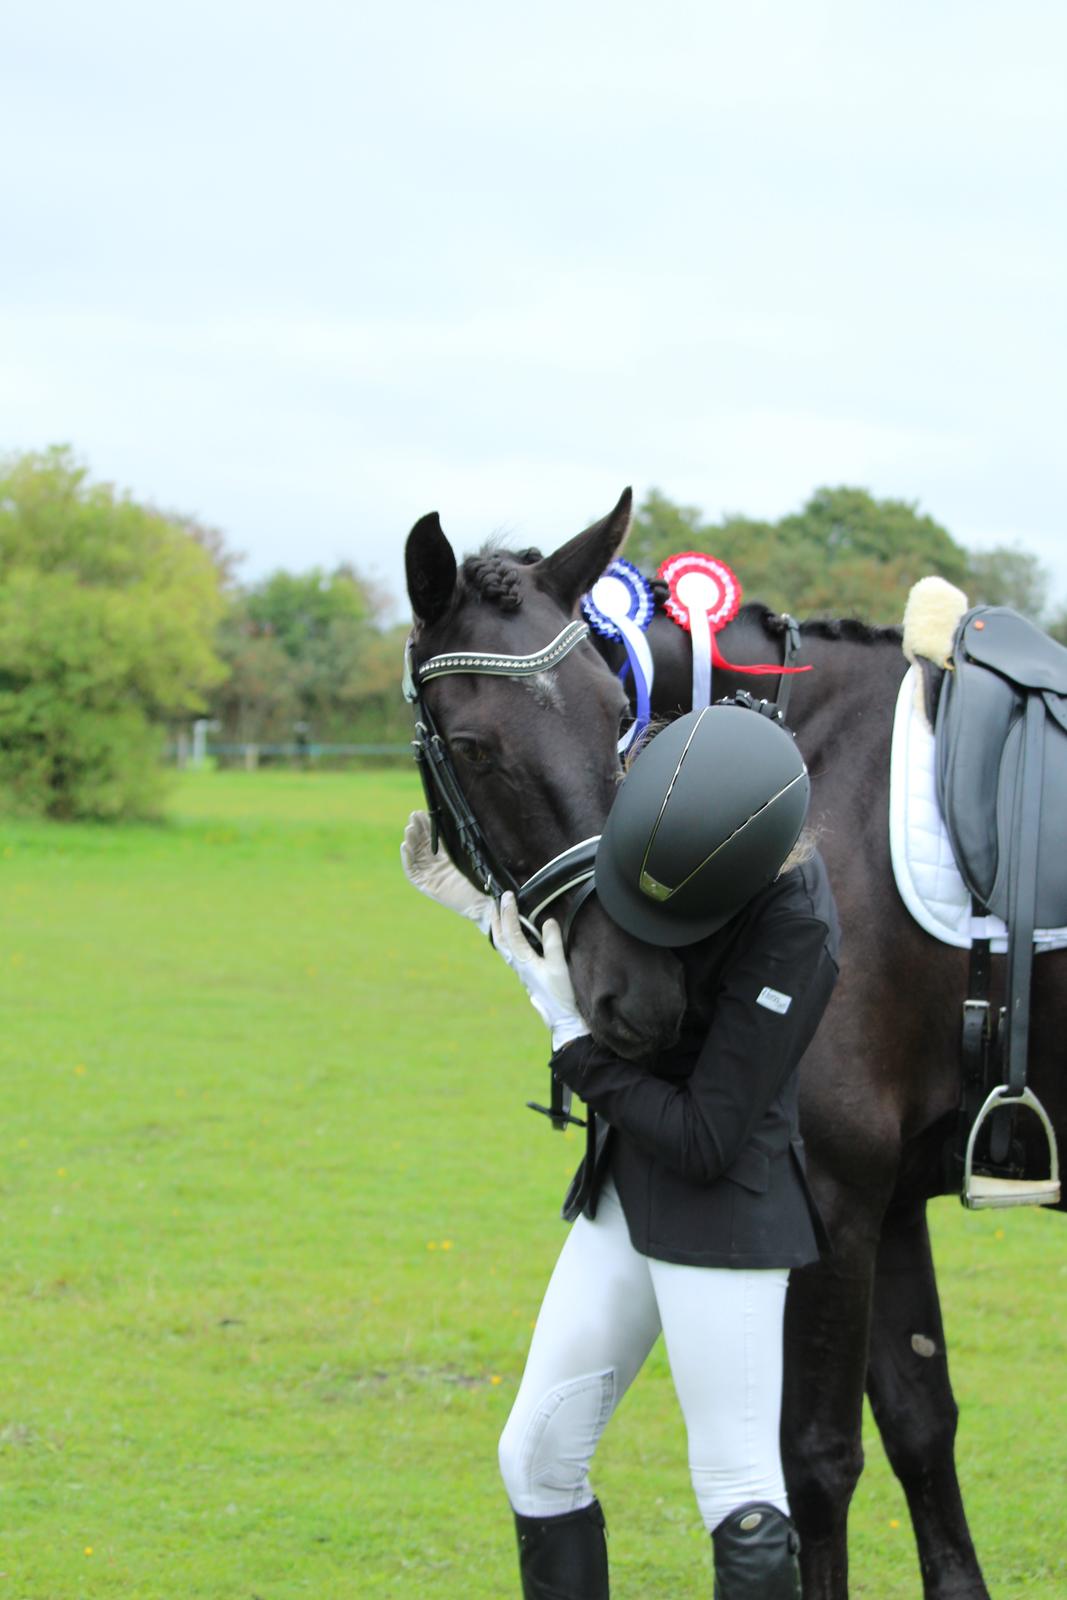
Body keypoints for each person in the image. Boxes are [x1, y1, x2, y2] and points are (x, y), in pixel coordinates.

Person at [401, 702, 840, 1598]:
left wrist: (570, 1043)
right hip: (621, 1193)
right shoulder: (648, 822)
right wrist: (489, 911)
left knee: (739, 1491)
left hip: (724, 1219)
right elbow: (587, 959)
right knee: (535, 1455)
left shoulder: (796, 930)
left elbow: (706, 1135)